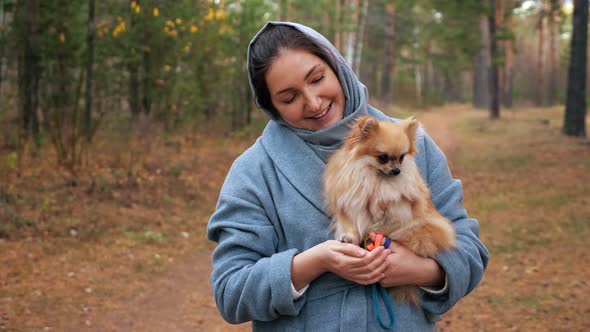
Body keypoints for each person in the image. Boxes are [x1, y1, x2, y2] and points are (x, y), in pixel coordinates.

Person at [207, 21, 489, 331]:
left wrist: (423, 270)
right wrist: (312, 263)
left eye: (317, 79)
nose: (313, 102)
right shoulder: (254, 171)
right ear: (271, 106)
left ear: (336, 65)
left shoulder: (411, 143)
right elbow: (230, 292)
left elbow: (470, 250)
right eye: (289, 98)